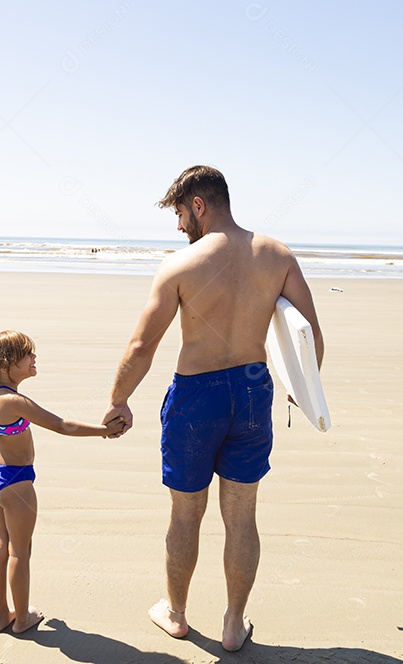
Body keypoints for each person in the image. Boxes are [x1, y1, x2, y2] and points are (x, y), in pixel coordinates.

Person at [103, 165, 323, 652]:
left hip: (196, 394)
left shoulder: (180, 267)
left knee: (186, 513)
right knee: (242, 515)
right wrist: (302, 389)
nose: (179, 226)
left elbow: (143, 345)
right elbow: (310, 334)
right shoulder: (277, 255)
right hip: (251, 389)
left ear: (199, 205)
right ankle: (233, 623)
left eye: (181, 214)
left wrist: (118, 400)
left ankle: (176, 614)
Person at [0, 330, 127, 634]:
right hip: (18, 484)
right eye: (28, 354)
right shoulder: (13, 400)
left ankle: (2, 616)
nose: (34, 358)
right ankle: (22, 618)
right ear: (5, 363)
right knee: (19, 553)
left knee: (0, 546)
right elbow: (62, 425)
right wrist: (103, 430)